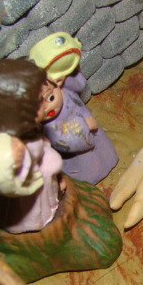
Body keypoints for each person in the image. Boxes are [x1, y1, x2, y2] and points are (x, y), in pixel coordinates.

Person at [0, 59, 64, 234]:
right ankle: (31, 222)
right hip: (28, 191)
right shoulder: (10, 149)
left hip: (40, 178)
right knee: (27, 207)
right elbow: (11, 182)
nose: (46, 105)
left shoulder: (28, 131)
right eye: (40, 102)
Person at [28, 32, 118, 185]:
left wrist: (70, 69)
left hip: (92, 133)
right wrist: (84, 130)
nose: (48, 108)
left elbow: (79, 90)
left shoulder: (64, 90)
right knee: (86, 166)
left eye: (51, 98)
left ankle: (108, 160)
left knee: (104, 152)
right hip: (77, 148)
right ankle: (90, 177)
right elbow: (62, 140)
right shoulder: (48, 125)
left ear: (57, 83)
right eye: (38, 107)